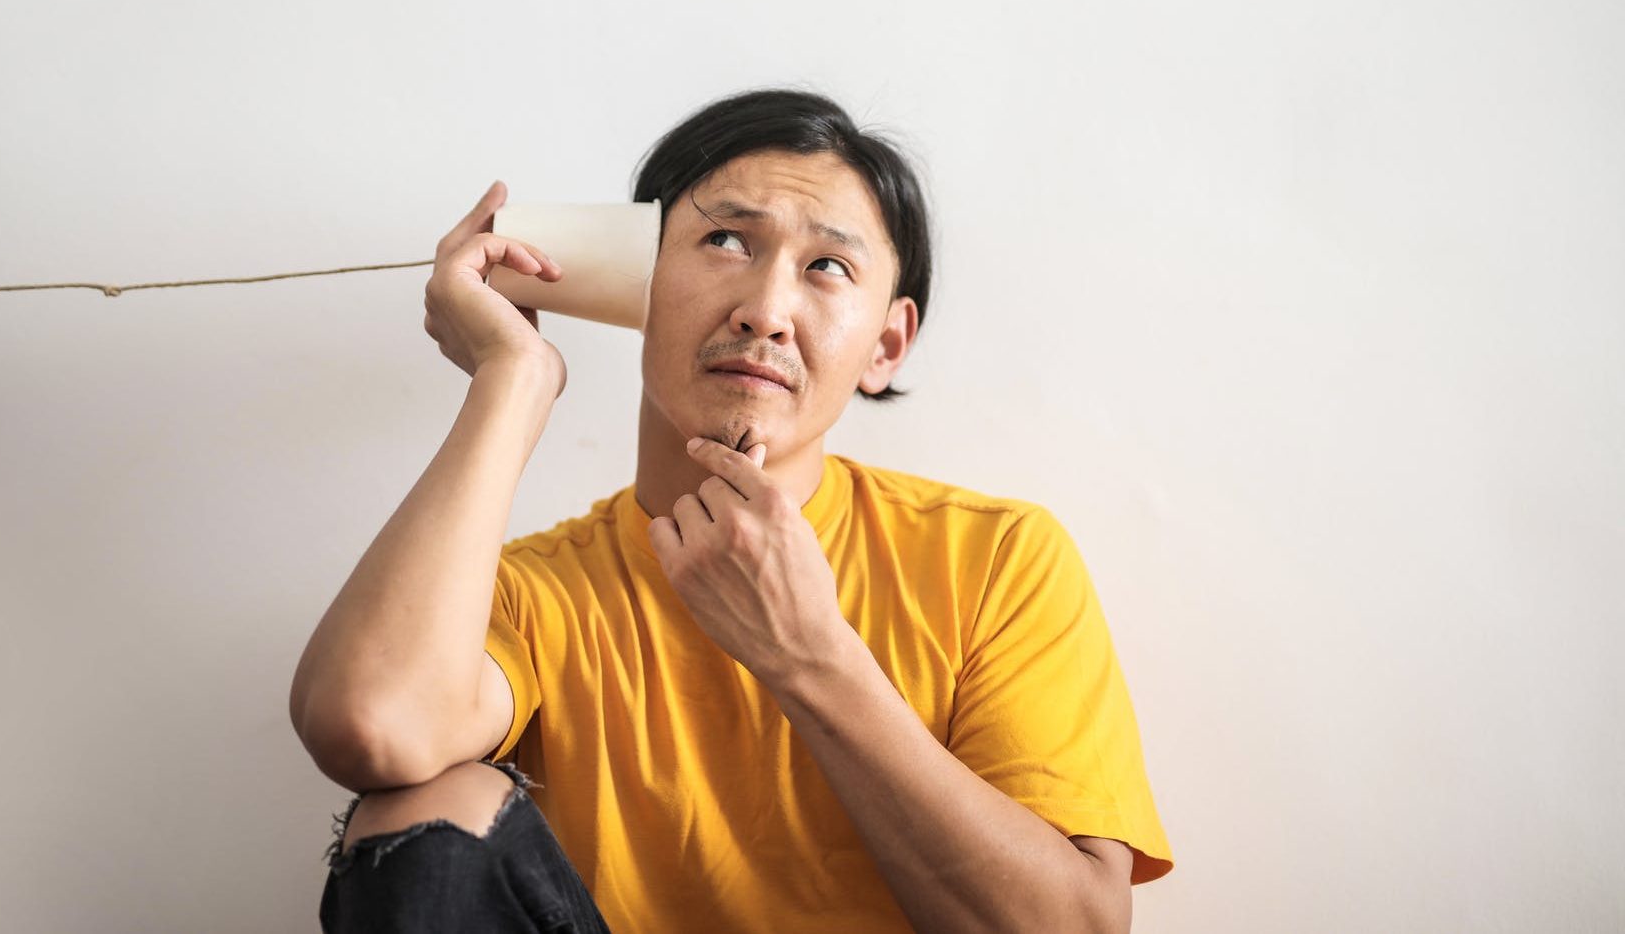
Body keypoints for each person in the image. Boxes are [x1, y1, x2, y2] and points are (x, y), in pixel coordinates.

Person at [289, 87, 1174, 933]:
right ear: (634, 279)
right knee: (425, 800)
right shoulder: (534, 593)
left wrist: (809, 654)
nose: (766, 312)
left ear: (886, 343)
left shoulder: (996, 560)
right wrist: (513, 378)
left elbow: (1078, 925)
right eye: (724, 241)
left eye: (827, 266)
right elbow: (371, 723)